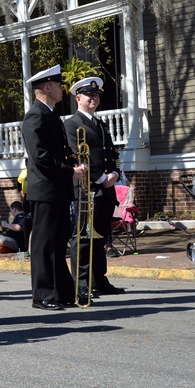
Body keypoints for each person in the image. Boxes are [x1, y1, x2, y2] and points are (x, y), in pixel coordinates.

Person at [20, 64, 86, 310]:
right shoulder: (35, 116)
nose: (62, 89)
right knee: (44, 245)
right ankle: (43, 295)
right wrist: (70, 172)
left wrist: (75, 165)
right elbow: (40, 157)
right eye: (59, 85)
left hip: (57, 189)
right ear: (46, 87)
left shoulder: (51, 115)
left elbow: (60, 153)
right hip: (45, 190)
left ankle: (62, 291)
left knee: (59, 243)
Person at [63, 77, 125, 303]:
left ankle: (100, 279)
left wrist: (115, 174)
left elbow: (113, 154)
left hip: (106, 188)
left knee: (101, 237)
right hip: (87, 189)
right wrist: (100, 177)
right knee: (83, 237)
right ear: (78, 98)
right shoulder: (71, 124)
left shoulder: (101, 124)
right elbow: (76, 155)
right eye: (90, 96)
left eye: (97, 95)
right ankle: (81, 283)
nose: (94, 99)